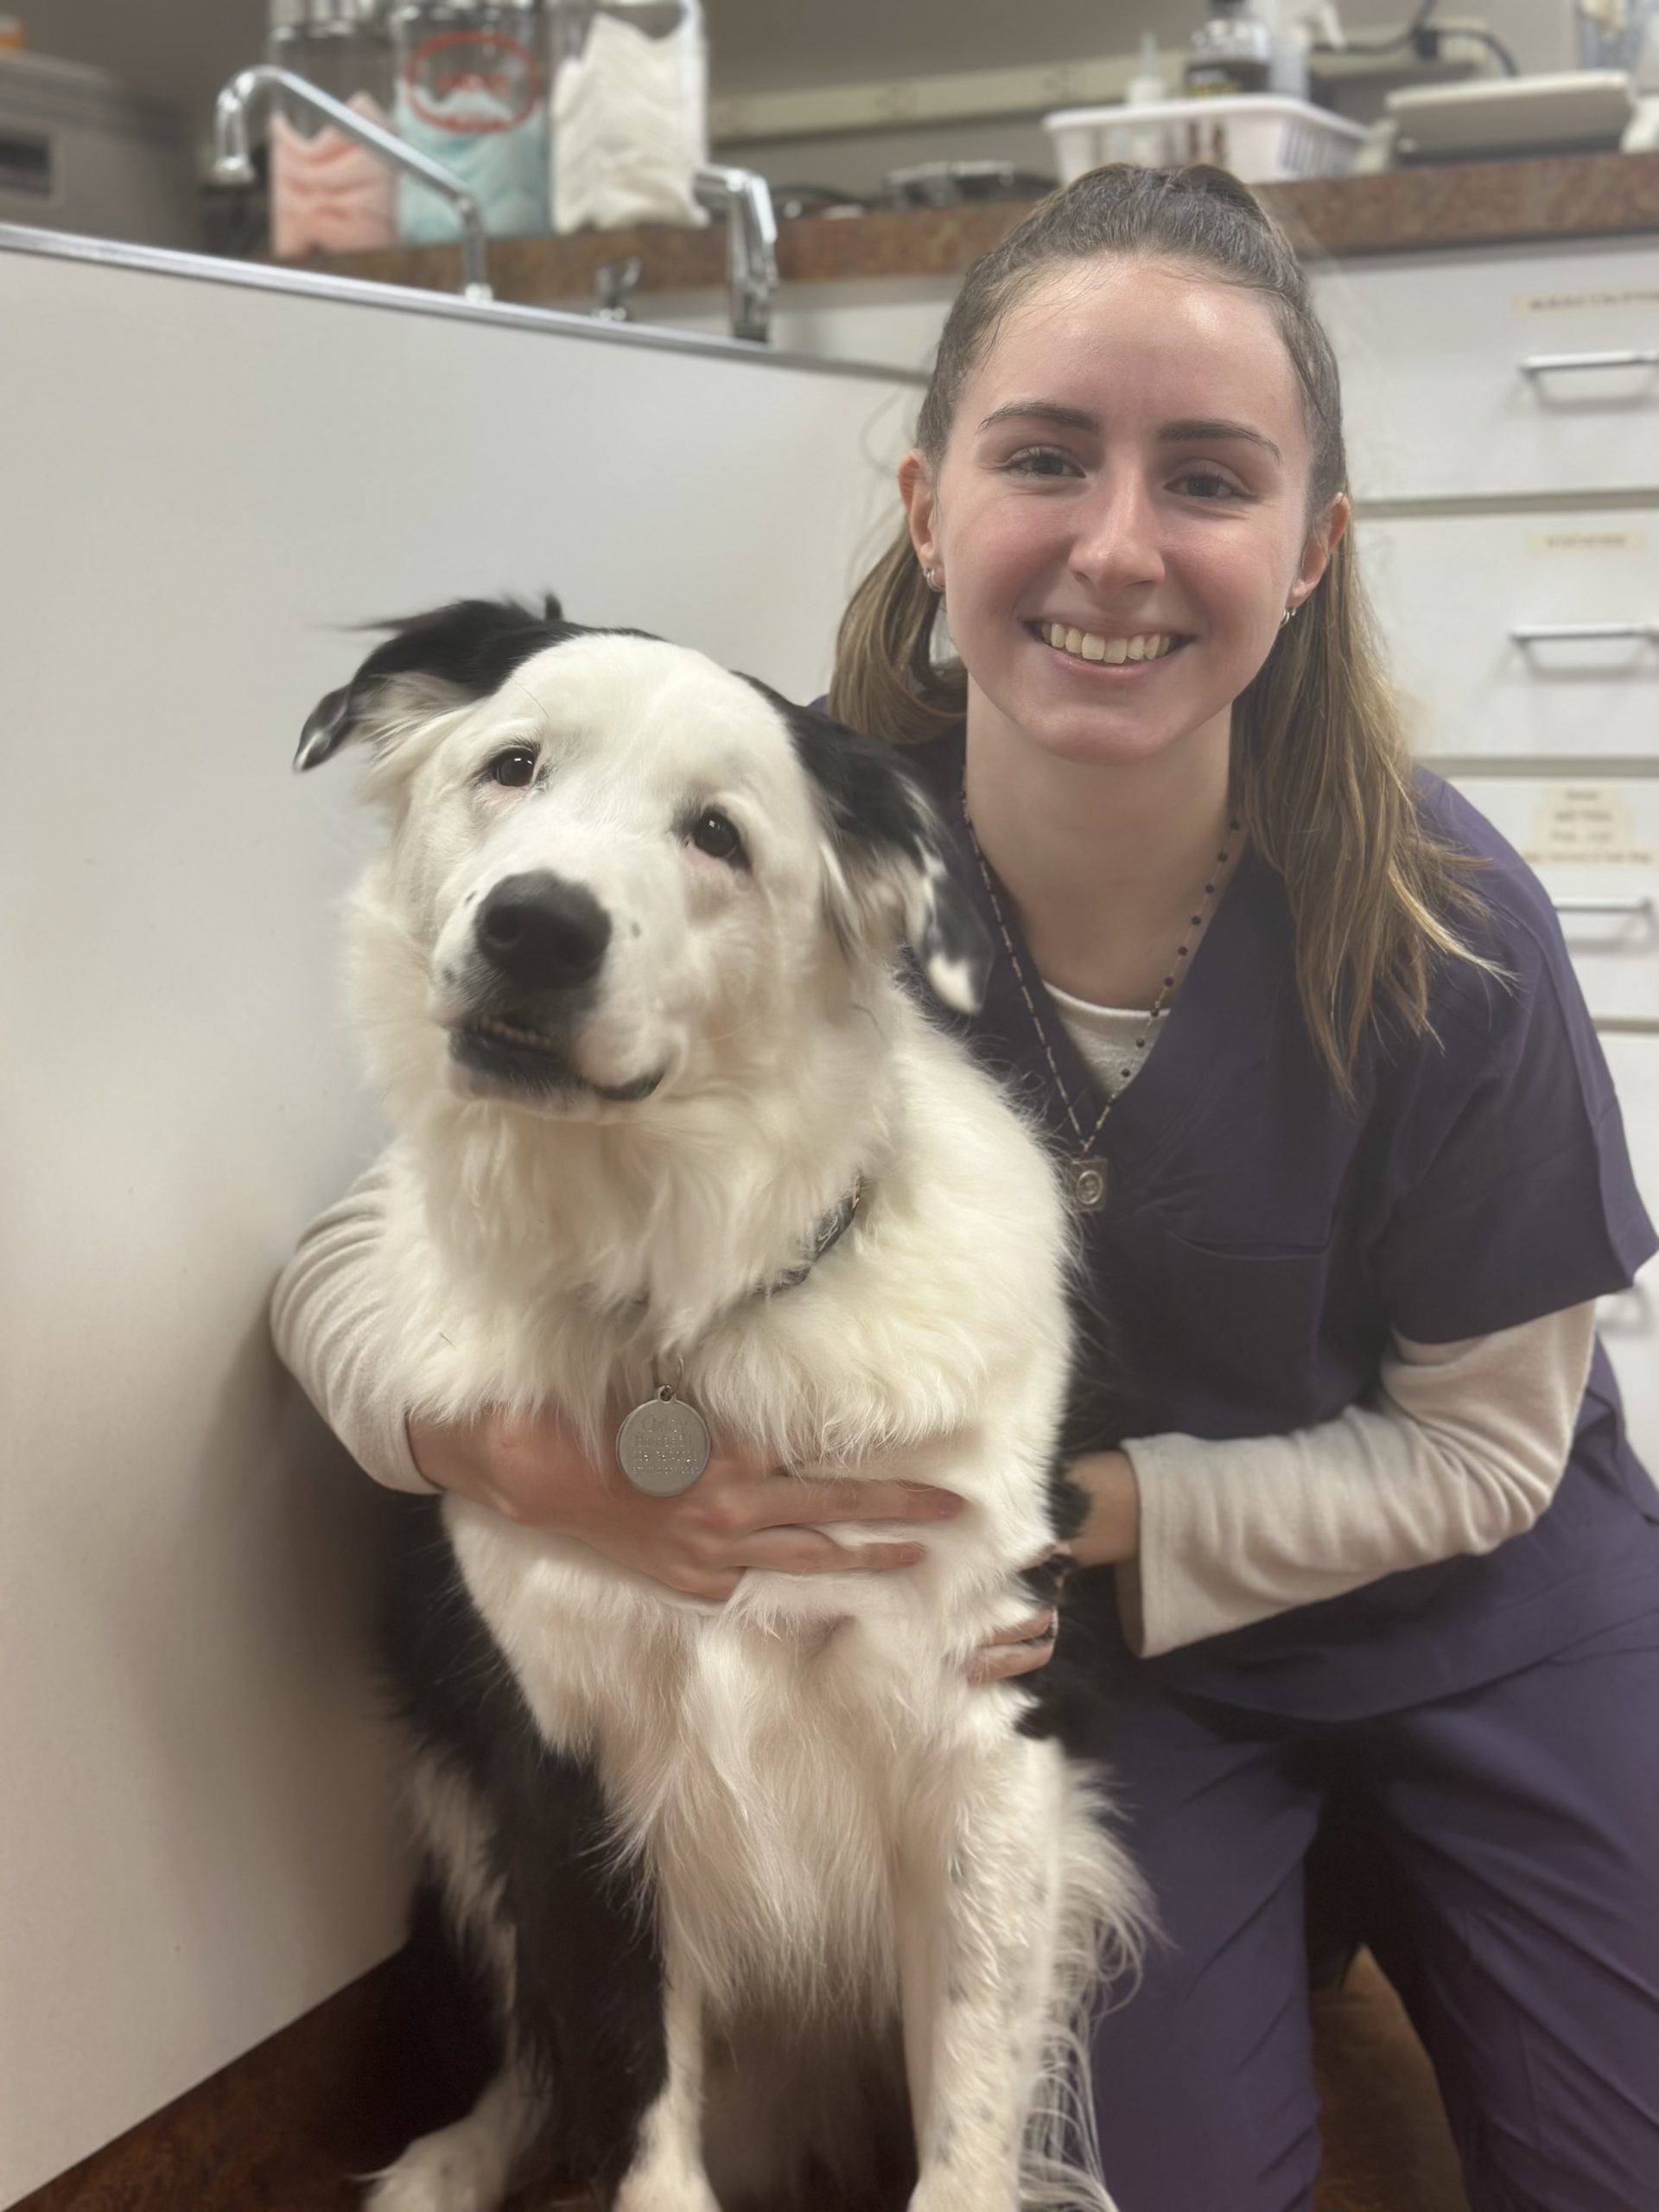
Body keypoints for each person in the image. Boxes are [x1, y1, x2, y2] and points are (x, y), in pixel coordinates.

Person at [273, 165, 1659, 2211]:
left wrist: (1070, 1508)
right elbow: (348, 1251)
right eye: (1043, 458)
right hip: (1125, 1674)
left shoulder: (1448, 923)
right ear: (929, 506)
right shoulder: (783, 847)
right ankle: (1302, 1924)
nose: (1116, 543)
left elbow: (1490, 1447)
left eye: (1208, 475)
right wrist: (520, 1457)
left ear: (1310, 550)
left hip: (1486, 1615)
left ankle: (1409, 1907)